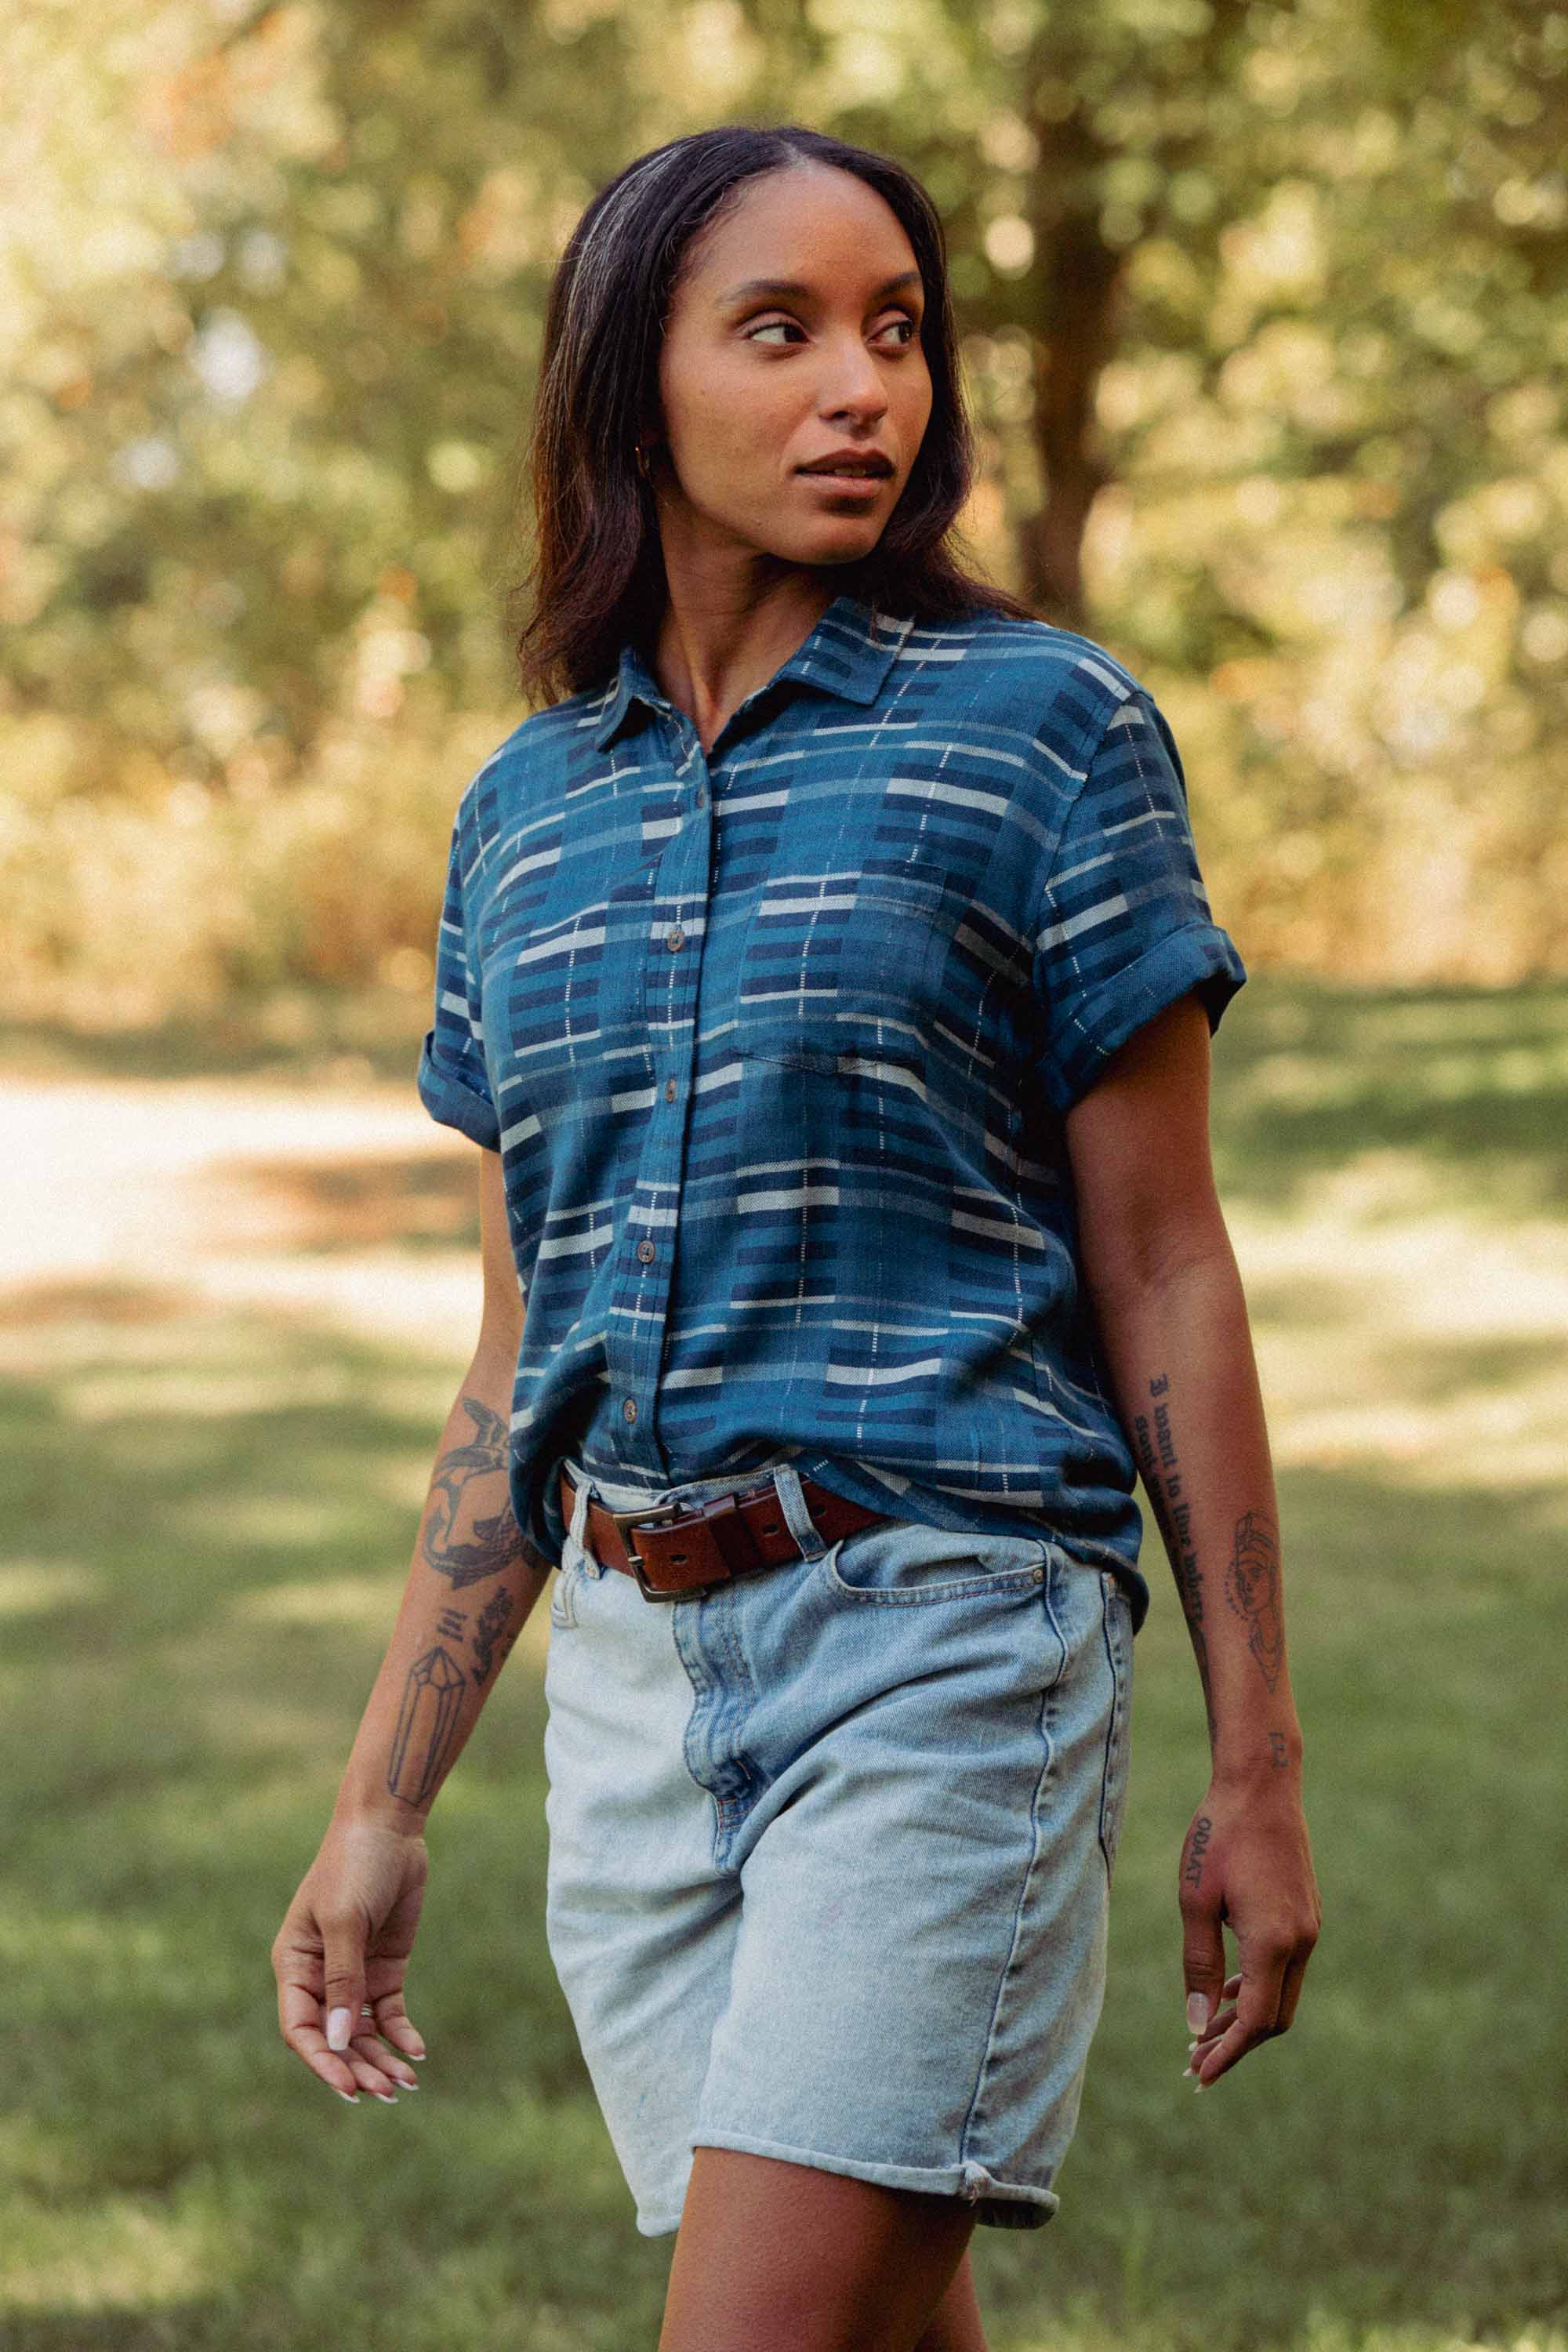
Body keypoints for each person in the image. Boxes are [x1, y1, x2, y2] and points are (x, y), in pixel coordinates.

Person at [271, 124, 1321, 2352]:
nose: (869, 387)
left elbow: (1167, 1270)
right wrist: (382, 1806)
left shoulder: (1044, 737)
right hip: (642, 1702)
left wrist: (1256, 1770)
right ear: (625, 387)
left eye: (899, 329)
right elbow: (515, 1360)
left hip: (947, 1651)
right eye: (782, 331)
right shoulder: (522, 819)